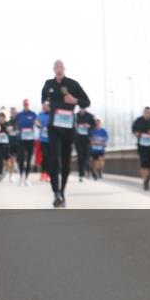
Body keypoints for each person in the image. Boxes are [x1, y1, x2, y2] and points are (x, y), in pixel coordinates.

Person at [40, 60, 91, 208]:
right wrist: (45, 105)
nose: (58, 69)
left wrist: (74, 100)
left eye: (61, 66)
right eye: (56, 67)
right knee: (54, 158)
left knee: (66, 161)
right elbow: (43, 102)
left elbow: (86, 102)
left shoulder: (73, 84)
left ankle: (62, 191)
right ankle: (55, 192)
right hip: (53, 127)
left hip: (68, 128)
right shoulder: (48, 84)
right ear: (53, 69)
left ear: (64, 69)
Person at [14, 99, 40, 185]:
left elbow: (38, 123)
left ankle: (27, 178)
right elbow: (15, 125)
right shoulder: (19, 115)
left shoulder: (33, 114)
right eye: (24, 104)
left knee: (29, 158)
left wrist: (37, 124)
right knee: (21, 158)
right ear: (23, 105)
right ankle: (21, 176)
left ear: (29, 105)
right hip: (21, 139)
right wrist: (16, 130)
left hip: (30, 139)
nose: (26, 105)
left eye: (27, 104)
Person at [74, 107, 95, 181]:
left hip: (87, 140)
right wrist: (75, 127)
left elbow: (94, 126)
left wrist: (89, 126)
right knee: (80, 156)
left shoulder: (90, 116)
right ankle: (81, 174)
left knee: (86, 157)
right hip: (78, 140)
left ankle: (90, 171)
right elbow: (71, 125)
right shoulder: (75, 116)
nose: (82, 109)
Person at [37, 101, 52, 183]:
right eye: (43, 106)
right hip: (43, 139)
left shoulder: (52, 114)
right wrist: (38, 124)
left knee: (50, 157)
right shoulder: (40, 114)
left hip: (51, 139)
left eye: (46, 106)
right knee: (45, 156)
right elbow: (37, 122)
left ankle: (48, 174)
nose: (44, 107)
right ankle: (43, 173)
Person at [0, 112, 11, 181]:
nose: (1, 119)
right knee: (0, 159)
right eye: (0, 118)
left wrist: (7, 129)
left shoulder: (7, 124)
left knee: (7, 160)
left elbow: (10, 132)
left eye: (3, 117)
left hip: (6, 144)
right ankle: (0, 173)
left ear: (4, 118)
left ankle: (6, 171)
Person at [6, 106, 20, 182]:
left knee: (15, 160)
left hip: (17, 143)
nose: (13, 113)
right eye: (12, 112)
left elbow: (20, 130)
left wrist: (18, 131)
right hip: (10, 143)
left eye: (14, 112)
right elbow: (6, 130)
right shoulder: (8, 122)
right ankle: (9, 174)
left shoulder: (18, 122)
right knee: (10, 160)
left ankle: (13, 175)